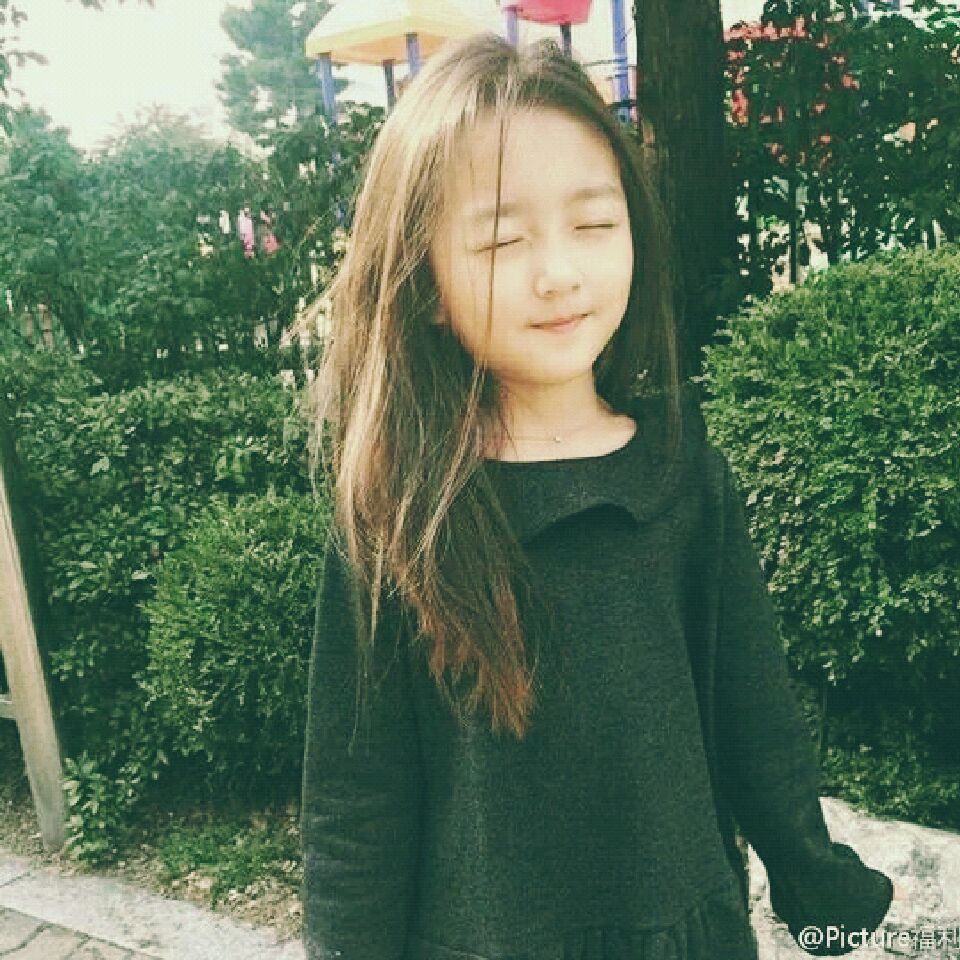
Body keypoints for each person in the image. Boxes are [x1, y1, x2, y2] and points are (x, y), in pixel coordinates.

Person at [299, 32, 901, 960]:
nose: (559, 273)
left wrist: (818, 890)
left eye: (592, 224)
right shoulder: (401, 511)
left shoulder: (683, 477)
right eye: (503, 240)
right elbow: (355, 801)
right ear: (424, 280)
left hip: (686, 933)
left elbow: (755, 718)